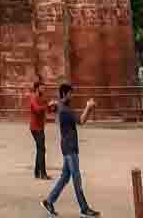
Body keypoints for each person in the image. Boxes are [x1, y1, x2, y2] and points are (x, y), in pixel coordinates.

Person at [41, 84, 99, 216]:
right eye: (70, 94)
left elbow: (53, 107)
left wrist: (53, 104)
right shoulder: (65, 110)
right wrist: (88, 107)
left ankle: (49, 201)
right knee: (76, 179)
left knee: (65, 177)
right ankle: (84, 208)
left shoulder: (62, 107)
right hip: (70, 148)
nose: (72, 96)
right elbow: (81, 121)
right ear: (65, 94)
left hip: (67, 146)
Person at [28, 78, 53, 180]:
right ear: (37, 88)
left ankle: (37, 172)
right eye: (42, 87)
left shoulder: (42, 98)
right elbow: (37, 109)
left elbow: (48, 110)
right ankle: (42, 173)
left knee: (40, 149)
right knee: (41, 150)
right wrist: (47, 105)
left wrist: (52, 106)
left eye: (44, 87)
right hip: (35, 128)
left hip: (40, 127)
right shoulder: (33, 98)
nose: (44, 89)